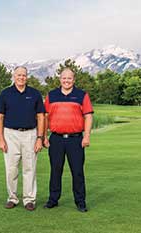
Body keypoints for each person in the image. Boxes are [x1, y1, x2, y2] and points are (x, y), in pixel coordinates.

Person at [43, 68, 93, 212]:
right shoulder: (51, 95)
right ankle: (53, 200)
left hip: (76, 139)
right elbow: (45, 117)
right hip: (56, 139)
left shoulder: (82, 95)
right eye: (64, 78)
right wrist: (44, 136)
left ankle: (80, 202)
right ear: (60, 79)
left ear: (74, 80)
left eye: (69, 78)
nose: (66, 81)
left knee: (77, 171)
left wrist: (87, 136)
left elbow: (88, 116)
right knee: (55, 170)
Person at [0, 66, 45, 211]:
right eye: (18, 75)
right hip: (10, 134)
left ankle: (29, 199)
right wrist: (1, 139)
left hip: (30, 134)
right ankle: (12, 198)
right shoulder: (6, 93)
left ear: (27, 77)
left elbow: (41, 117)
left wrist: (39, 138)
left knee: (30, 168)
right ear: (14, 76)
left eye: (24, 75)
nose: (21, 77)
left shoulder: (34, 94)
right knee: (11, 169)